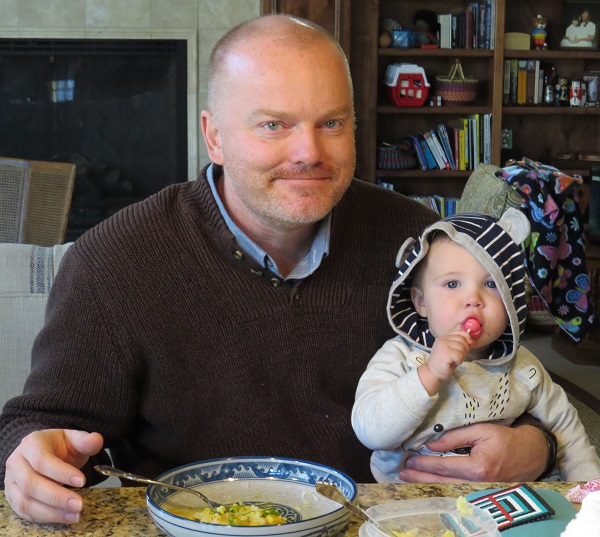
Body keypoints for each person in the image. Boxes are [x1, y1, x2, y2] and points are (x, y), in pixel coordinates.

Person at [0, 14, 554, 526]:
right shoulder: (116, 259)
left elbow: (506, 373)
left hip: (387, 523)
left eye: (331, 122)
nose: (309, 152)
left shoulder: (424, 245)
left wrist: (536, 445)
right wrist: (30, 459)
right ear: (214, 135)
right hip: (202, 529)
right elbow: (41, 423)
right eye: (273, 125)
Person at [352, 209, 600, 483]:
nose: (473, 298)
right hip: (408, 496)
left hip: (498, 496)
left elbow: (567, 432)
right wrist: (427, 375)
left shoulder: (523, 366)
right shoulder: (400, 357)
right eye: (452, 283)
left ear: (511, 301)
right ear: (421, 303)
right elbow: (371, 432)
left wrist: (589, 490)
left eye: (492, 284)